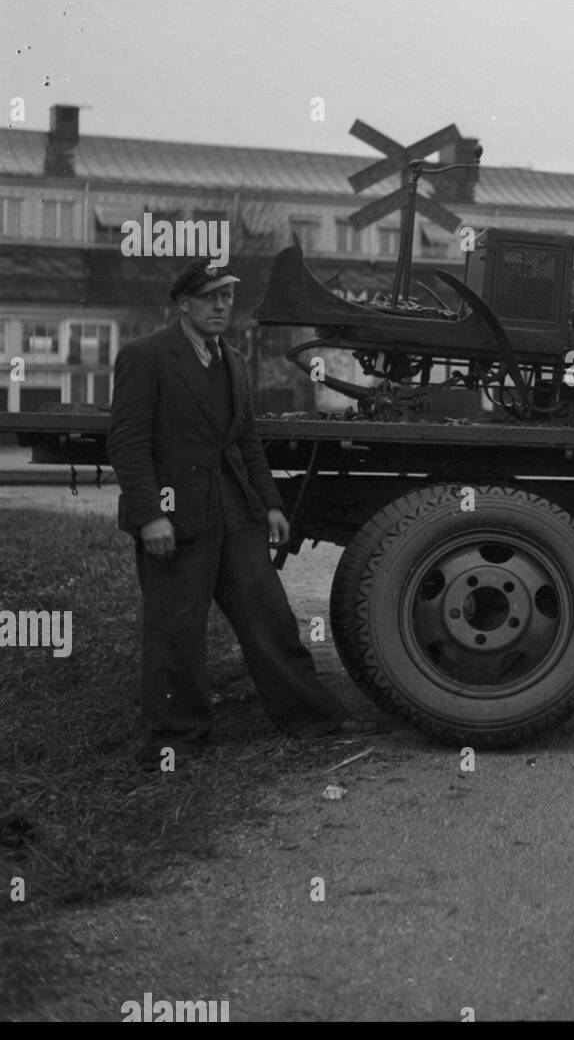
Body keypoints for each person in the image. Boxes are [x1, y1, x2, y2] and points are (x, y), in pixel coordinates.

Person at [108, 260, 378, 770]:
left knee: (270, 616)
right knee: (176, 630)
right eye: (209, 297)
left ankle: (312, 718)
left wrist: (270, 504)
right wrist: (150, 516)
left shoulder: (231, 358)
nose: (220, 306)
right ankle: (175, 741)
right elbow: (128, 442)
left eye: (227, 297)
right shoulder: (145, 355)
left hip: (235, 514)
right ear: (183, 303)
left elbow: (247, 441)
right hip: (174, 518)